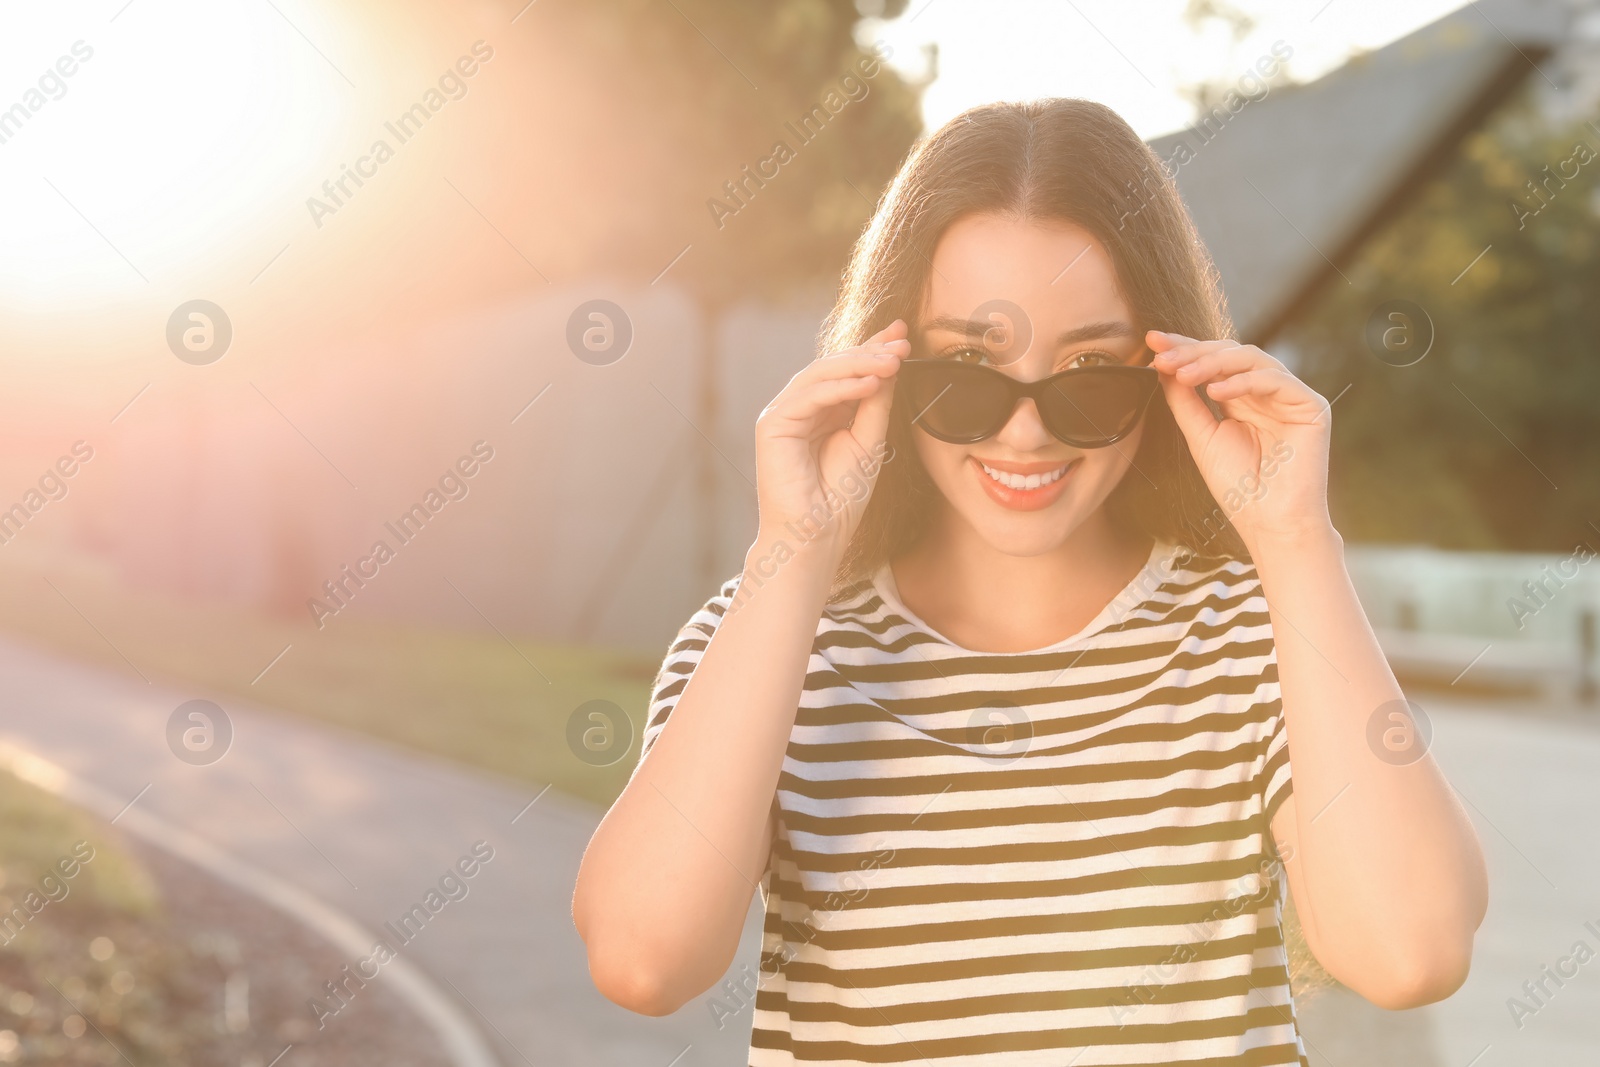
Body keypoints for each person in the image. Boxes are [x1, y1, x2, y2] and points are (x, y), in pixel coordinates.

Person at [572, 97, 1487, 1066]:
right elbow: (643, 960)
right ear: (884, 364)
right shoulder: (763, 635)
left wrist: (1296, 539)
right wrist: (792, 553)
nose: (1025, 430)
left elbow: (1409, 951)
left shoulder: (1252, 629)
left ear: (1168, 369)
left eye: (1090, 367)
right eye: (968, 362)